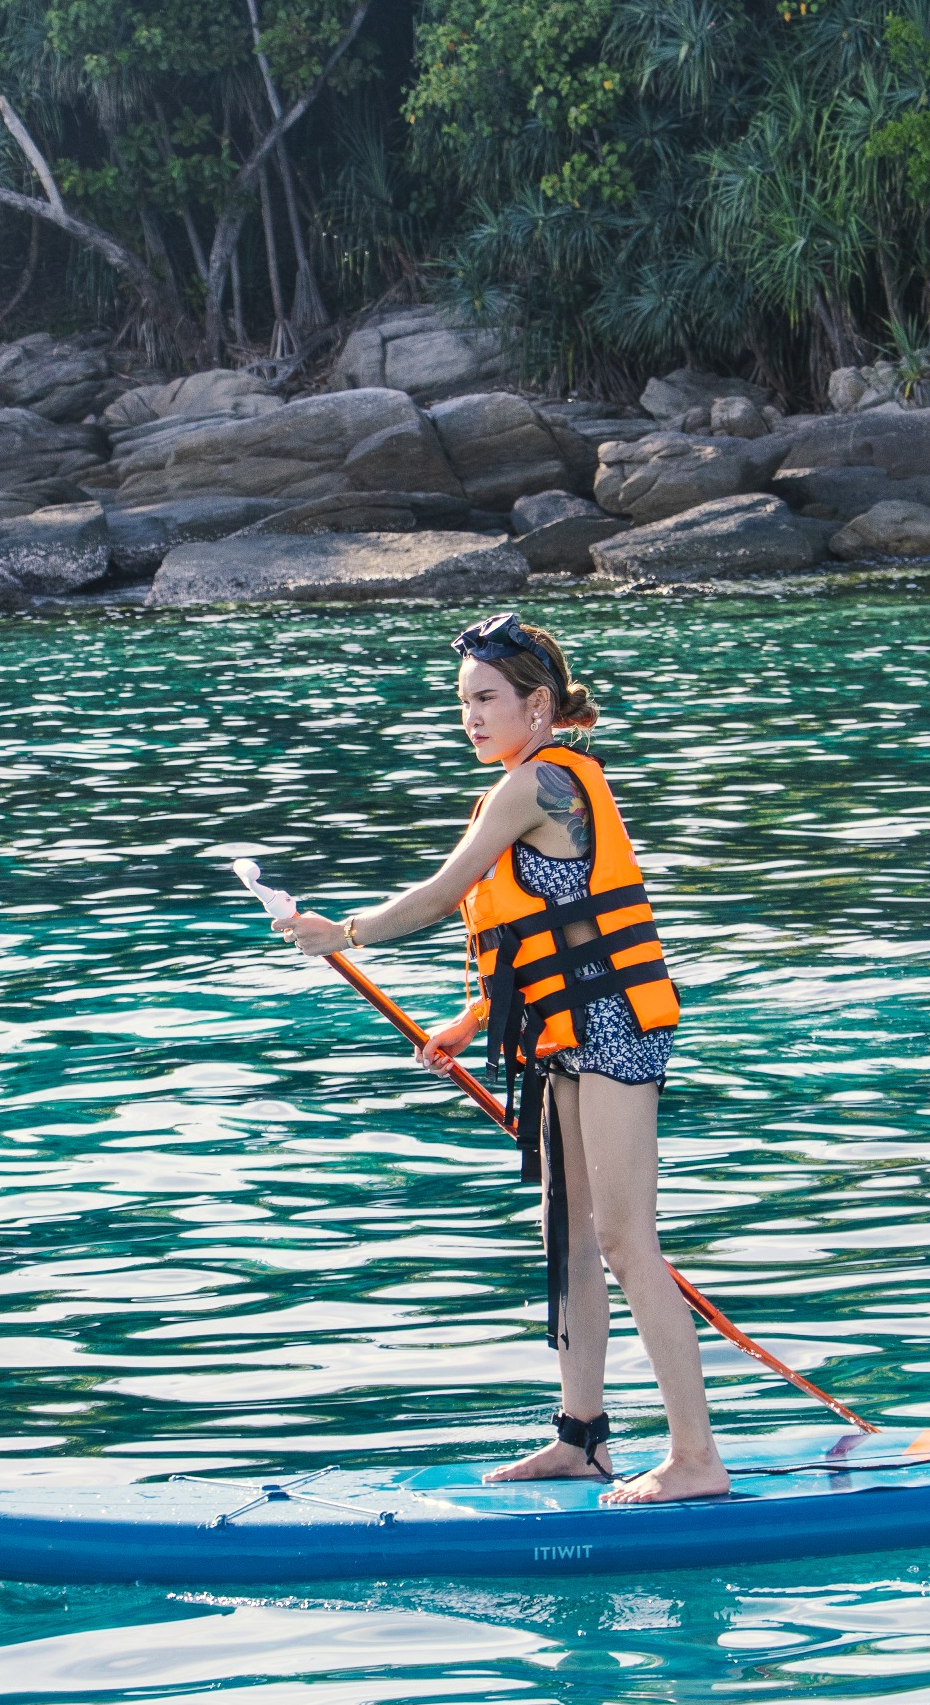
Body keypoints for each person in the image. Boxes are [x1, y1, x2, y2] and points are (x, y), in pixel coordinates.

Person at [273, 613, 725, 1505]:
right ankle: (583, 1439)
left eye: (486, 700)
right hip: (561, 1034)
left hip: (616, 1028)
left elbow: (445, 892)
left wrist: (344, 933)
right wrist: (472, 1021)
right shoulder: (524, 786)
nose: (470, 718)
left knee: (628, 1241)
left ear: (539, 705)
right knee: (569, 1240)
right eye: (463, 703)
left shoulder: (543, 785)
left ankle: (696, 1458)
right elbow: (544, 936)